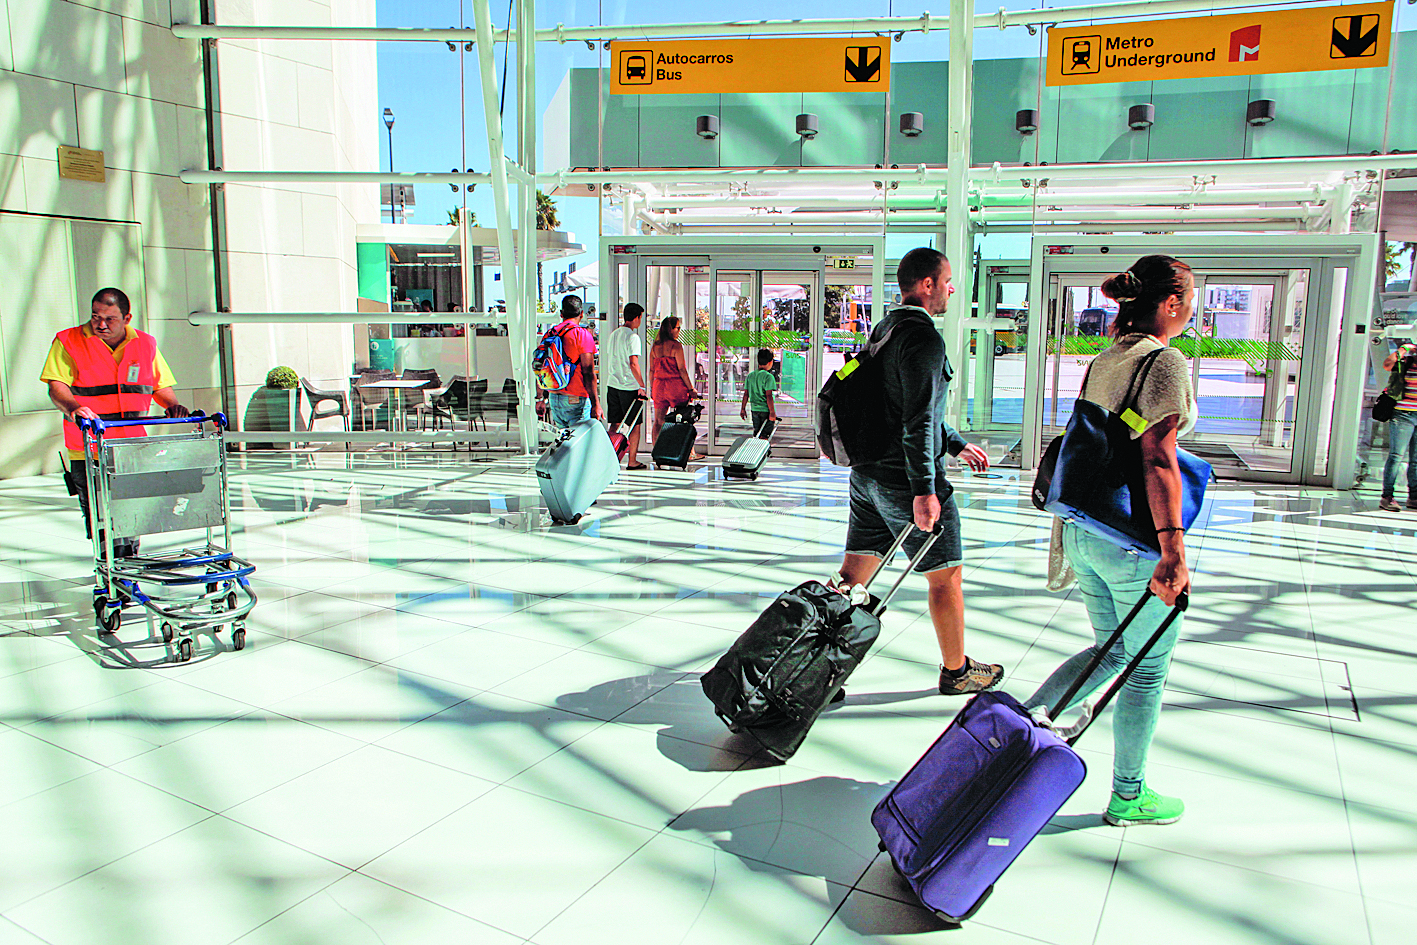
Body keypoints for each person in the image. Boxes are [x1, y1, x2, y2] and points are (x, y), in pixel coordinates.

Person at [1023, 254, 1198, 827]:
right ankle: (1129, 794)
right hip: (1129, 541)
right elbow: (1156, 456)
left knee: (1113, 650)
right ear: (1170, 303)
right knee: (1143, 668)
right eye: (1189, 299)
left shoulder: (1107, 357)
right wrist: (1172, 548)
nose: (1191, 309)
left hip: (1083, 530)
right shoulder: (1164, 361)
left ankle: (1020, 724)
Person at [833, 247, 998, 698]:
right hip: (904, 481)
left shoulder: (884, 329)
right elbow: (918, 421)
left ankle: (821, 664)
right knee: (945, 576)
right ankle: (958, 670)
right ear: (926, 285)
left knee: (853, 577)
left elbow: (904, 406)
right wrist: (925, 489)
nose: (951, 289)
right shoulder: (924, 338)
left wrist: (958, 444)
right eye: (947, 280)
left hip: (866, 477)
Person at [40, 287, 188, 558]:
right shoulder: (68, 341)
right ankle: (111, 571)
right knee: (101, 516)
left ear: (127, 318)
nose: (101, 324)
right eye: (96, 316)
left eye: (110, 318)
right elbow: (56, 386)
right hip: (88, 447)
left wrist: (172, 405)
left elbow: (160, 385)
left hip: (133, 447)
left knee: (132, 511)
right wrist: (74, 408)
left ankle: (127, 565)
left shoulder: (145, 343)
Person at [540, 295, 601, 429]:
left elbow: (542, 366)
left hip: (554, 397)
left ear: (561, 314)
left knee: (563, 443)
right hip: (576, 398)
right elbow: (588, 372)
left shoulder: (550, 333)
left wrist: (539, 398)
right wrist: (596, 403)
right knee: (578, 444)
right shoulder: (582, 335)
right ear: (581, 313)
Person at [649, 315, 701, 457]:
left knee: (659, 420)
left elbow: (651, 370)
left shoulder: (655, 347)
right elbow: (682, 370)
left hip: (659, 385)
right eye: (677, 328)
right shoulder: (676, 346)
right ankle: (689, 453)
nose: (679, 330)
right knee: (684, 418)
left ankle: (657, 451)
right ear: (670, 329)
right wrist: (691, 389)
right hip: (675, 386)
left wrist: (651, 388)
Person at [605, 303, 648, 470]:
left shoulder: (613, 335)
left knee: (614, 423)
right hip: (629, 386)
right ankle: (632, 461)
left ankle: (609, 457)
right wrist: (641, 385)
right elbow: (633, 363)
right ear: (636, 317)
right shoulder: (633, 337)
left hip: (612, 384)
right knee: (635, 424)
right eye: (640, 318)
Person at [1378, 340, 1417, 512]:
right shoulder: (1407, 361)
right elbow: (1387, 364)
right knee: (1396, 455)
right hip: (1403, 414)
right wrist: (1404, 348)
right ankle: (1387, 496)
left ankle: (1414, 497)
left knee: (1416, 460)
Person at [739, 348, 778, 436]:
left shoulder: (750, 376)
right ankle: (763, 449)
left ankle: (756, 448)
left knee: (757, 432)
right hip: (765, 410)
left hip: (754, 410)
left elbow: (746, 394)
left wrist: (743, 409)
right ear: (770, 362)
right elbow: (769, 396)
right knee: (765, 434)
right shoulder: (768, 377)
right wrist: (772, 412)